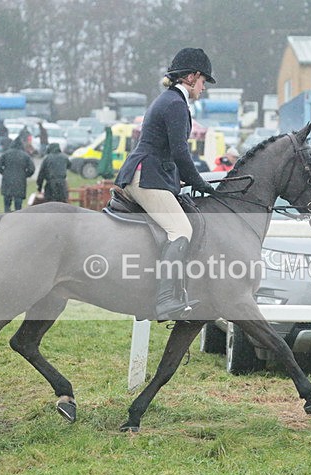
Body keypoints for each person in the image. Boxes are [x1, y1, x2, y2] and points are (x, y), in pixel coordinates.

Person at [114, 47, 217, 320]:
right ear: (192, 77)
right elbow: (180, 151)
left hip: (151, 171)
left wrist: (187, 179)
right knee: (180, 229)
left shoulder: (170, 100)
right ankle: (165, 300)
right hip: (145, 175)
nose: (203, 88)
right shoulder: (175, 104)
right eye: (204, 81)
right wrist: (199, 181)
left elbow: (169, 153)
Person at [0, 137, 36, 212]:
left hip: (7, 181)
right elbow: (32, 169)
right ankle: (17, 219)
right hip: (20, 182)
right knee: (18, 206)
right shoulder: (25, 156)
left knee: (7, 204)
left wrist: (4, 173)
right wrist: (25, 175)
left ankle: (6, 217)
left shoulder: (6, 154)